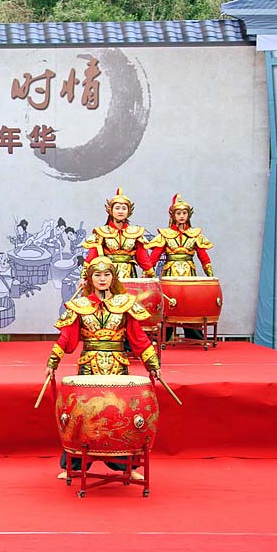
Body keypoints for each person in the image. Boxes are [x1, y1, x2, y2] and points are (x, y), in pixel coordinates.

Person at [45, 256, 161, 478]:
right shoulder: (80, 306)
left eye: (106, 274)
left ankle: (127, 467)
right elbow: (67, 337)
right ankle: (74, 467)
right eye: (97, 275)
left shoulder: (125, 304)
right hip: (89, 366)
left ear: (113, 277)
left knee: (119, 414)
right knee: (82, 414)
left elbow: (138, 338)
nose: (102, 279)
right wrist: (53, 361)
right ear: (90, 278)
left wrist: (152, 364)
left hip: (118, 365)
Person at [149, 193, 214, 340]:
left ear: (189, 215)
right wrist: (148, 272)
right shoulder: (165, 234)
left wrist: (210, 276)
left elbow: (203, 256)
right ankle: (165, 335)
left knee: (190, 302)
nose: (182, 216)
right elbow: (154, 256)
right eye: (178, 213)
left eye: (184, 213)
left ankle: (194, 335)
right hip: (170, 272)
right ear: (173, 215)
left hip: (189, 272)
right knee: (169, 302)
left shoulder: (195, 234)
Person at [81, 188, 155, 279]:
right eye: (117, 208)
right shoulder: (101, 232)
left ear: (128, 211)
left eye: (124, 208)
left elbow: (142, 257)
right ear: (111, 210)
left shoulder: (135, 232)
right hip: (108, 274)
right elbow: (92, 257)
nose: (120, 211)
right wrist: (83, 276)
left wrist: (151, 274)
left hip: (129, 274)